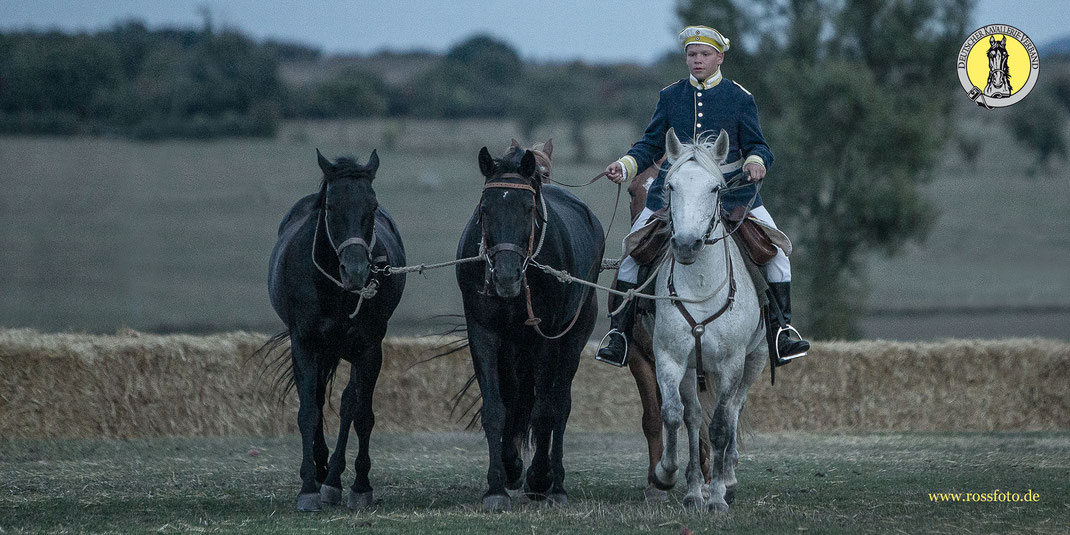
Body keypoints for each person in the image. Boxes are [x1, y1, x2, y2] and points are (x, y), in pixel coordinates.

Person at [595, 25, 809, 368]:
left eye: (704, 55)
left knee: (778, 255)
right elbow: (650, 144)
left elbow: (759, 146)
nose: (697, 60)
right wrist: (625, 165)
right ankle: (619, 334)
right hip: (673, 196)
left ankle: (783, 330)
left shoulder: (740, 98)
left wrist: (755, 161)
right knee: (631, 251)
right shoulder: (670, 96)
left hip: (734, 195)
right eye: (692, 55)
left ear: (719, 57)